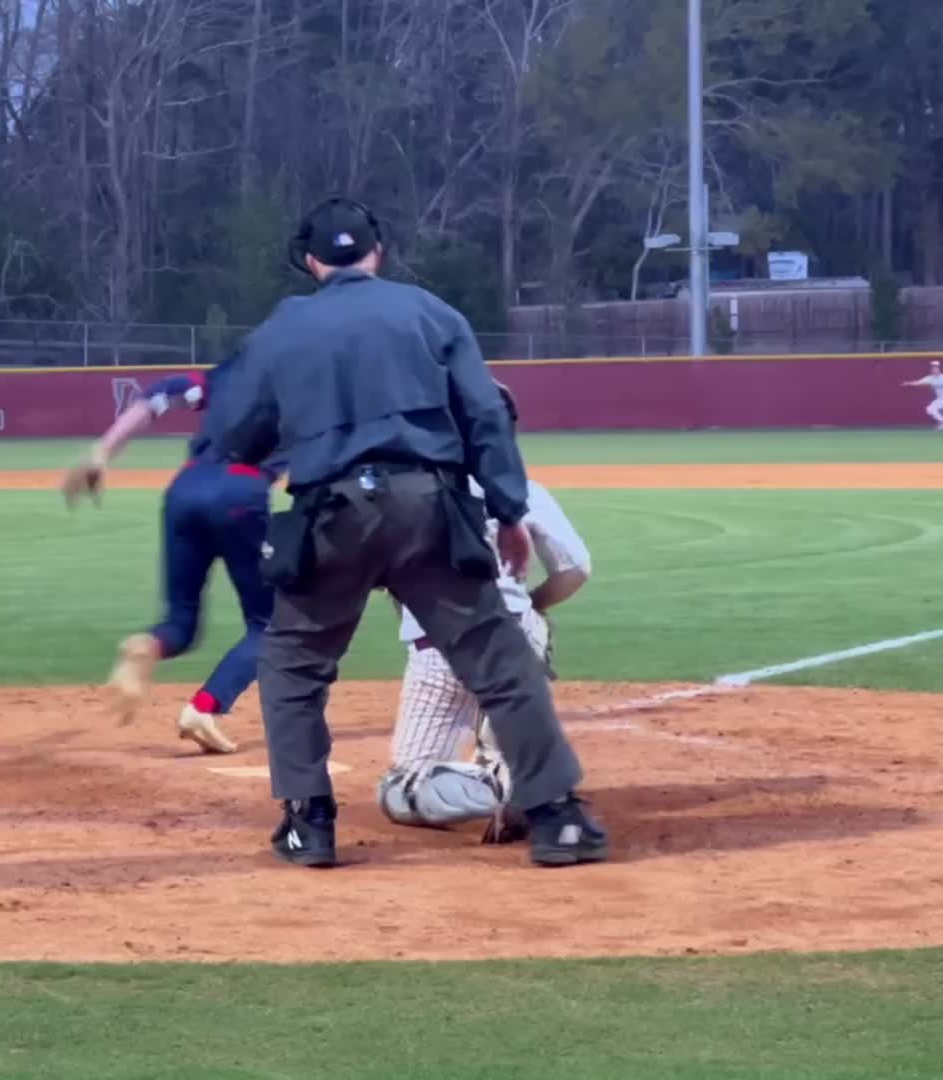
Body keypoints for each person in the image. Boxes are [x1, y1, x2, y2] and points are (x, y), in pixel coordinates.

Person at [207, 196, 607, 869]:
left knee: (293, 665)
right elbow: (484, 416)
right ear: (378, 252)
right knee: (498, 657)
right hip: (430, 502)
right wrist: (508, 510)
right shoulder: (431, 313)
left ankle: (310, 823)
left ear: (311, 262)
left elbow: (237, 434)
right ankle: (558, 818)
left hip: (330, 509)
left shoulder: (283, 328)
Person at [375, 381, 593, 845]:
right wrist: (532, 607)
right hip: (513, 637)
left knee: (401, 791)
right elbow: (576, 569)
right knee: (526, 638)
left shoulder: (401, 494)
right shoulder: (523, 491)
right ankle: (516, 778)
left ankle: (504, 779)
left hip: (434, 650)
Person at [61, 359, 282, 754]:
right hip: (241, 492)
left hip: (184, 488)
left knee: (180, 625)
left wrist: (103, 450)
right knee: (272, 624)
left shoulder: (230, 374)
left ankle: (147, 645)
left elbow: (159, 395)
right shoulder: (309, 387)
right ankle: (204, 708)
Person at [903, 361, 943, 430]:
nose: (934, 370)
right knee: (930, 409)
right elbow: (918, 382)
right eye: (933, 368)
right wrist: (908, 383)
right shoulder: (930, 378)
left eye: (936, 368)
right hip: (940, 399)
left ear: (939, 369)